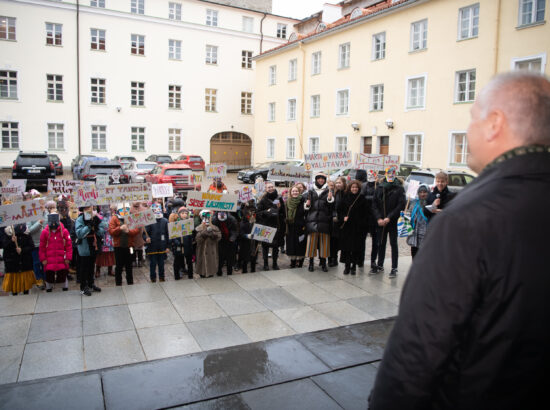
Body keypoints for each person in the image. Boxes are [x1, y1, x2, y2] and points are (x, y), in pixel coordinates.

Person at [369, 72, 550, 409]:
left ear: (495, 123)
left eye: (472, 118)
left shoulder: (467, 220)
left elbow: (418, 349)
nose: (467, 131)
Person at [371, 166, 405, 278]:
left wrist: (389, 217)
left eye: (392, 173)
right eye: (388, 172)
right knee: (381, 243)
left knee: (393, 244)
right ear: (385, 173)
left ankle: (394, 267)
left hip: (392, 220)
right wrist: (378, 218)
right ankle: (380, 265)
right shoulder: (380, 187)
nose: (390, 175)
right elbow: (374, 204)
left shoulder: (399, 188)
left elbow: (401, 205)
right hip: (381, 221)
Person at [337, 180, 368, 275]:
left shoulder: (363, 199)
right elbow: (339, 211)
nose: (354, 189)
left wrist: (362, 224)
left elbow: (366, 214)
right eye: (352, 187)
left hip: (358, 228)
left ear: (359, 189)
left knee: (356, 248)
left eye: (356, 187)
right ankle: (347, 266)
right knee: (346, 248)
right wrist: (343, 218)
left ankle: (353, 266)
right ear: (350, 188)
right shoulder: (345, 198)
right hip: (347, 227)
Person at [305, 172, 334, 272]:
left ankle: (323, 263)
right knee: (311, 244)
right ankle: (311, 263)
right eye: (319, 178)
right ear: (316, 179)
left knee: (324, 244)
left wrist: (330, 199)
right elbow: (307, 207)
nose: (321, 180)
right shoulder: (311, 190)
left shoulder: (328, 190)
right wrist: (307, 204)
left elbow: (331, 206)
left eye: (322, 179)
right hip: (312, 220)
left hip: (324, 220)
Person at [256, 182, 285, 271]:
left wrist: (280, 208)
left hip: (277, 226)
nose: (271, 188)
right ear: (266, 189)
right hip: (266, 226)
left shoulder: (279, 198)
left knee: (276, 247)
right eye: (269, 187)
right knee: (265, 247)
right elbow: (258, 214)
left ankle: (275, 263)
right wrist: (266, 212)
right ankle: (265, 264)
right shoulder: (263, 200)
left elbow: (283, 213)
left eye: (272, 187)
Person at [109, 202, 140, 286]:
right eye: (123, 209)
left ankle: (130, 282)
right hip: (118, 246)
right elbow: (111, 231)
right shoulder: (114, 218)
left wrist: (129, 231)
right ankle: (118, 283)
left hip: (129, 246)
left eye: (126, 209)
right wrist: (119, 229)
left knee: (129, 266)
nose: (125, 211)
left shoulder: (132, 217)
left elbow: (137, 229)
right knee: (119, 266)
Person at [39, 213, 72, 292]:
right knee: (49, 274)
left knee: (63, 274)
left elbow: (69, 246)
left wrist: (68, 257)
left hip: (61, 258)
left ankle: (65, 287)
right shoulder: (44, 232)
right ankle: (49, 287)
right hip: (49, 259)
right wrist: (43, 258)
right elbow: (42, 247)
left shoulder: (64, 231)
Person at [75, 206, 103, 296]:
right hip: (84, 245)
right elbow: (79, 233)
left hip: (93, 245)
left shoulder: (95, 217)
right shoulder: (80, 219)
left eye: (91, 208)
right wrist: (89, 226)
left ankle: (91, 283)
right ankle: (83, 287)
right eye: (87, 208)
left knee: (92, 265)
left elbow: (103, 229)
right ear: (83, 210)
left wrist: (97, 228)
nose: (89, 210)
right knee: (84, 267)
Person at [1, 224, 36, 295]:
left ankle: (26, 293)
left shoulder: (26, 232)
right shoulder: (7, 232)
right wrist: (11, 241)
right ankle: (14, 295)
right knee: (14, 286)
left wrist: (22, 250)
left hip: (25, 263)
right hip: (12, 264)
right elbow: (4, 245)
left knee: (25, 285)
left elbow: (31, 246)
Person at [361, 170, 379, 273]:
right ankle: (361, 259)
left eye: (373, 174)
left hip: (375, 217)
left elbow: (380, 200)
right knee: (362, 239)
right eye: (370, 174)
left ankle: (373, 260)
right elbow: (361, 198)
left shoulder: (379, 186)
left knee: (375, 241)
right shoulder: (364, 186)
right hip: (365, 217)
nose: (371, 176)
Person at [145, 204, 169, 282]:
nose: (157, 211)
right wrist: (146, 238)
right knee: (153, 263)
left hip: (162, 246)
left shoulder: (165, 221)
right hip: (152, 246)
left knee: (161, 263)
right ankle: (153, 277)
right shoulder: (149, 221)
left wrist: (168, 246)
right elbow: (145, 233)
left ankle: (162, 277)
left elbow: (168, 234)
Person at [284, 185, 307, 268]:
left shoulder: (303, 200)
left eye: (296, 191)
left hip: (300, 227)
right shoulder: (287, 202)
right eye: (293, 191)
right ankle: (293, 262)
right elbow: (284, 213)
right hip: (290, 227)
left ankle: (300, 263)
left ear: (299, 192)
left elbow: (306, 213)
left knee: (300, 245)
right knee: (291, 245)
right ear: (290, 192)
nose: (295, 192)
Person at [407, 184, 432, 258]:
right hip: (415, 233)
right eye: (420, 192)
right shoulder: (414, 203)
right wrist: (405, 215)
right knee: (414, 253)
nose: (422, 194)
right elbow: (409, 214)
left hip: (426, 232)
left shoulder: (430, 203)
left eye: (425, 192)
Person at [195, 210, 221, 278]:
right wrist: (204, 233)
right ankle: (202, 274)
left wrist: (213, 234)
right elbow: (197, 239)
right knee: (202, 269)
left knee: (211, 268)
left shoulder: (215, 227)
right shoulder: (198, 228)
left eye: (209, 217)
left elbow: (219, 237)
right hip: (201, 252)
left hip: (211, 251)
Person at [169, 207, 194, 280]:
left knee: (189, 262)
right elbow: (172, 235)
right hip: (179, 246)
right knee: (177, 262)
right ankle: (176, 276)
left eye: (186, 213)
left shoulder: (189, 222)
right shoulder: (175, 223)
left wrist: (191, 240)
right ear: (179, 214)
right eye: (182, 213)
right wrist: (177, 242)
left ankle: (190, 275)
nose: (184, 215)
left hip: (187, 246)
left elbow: (191, 234)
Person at [212, 211, 238, 276]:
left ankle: (229, 272)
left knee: (230, 259)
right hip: (219, 242)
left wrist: (232, 237)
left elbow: (234, 230)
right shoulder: (214, 220)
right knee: (220, 259)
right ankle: (219, 272)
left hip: (229, 242)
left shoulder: (232, 219)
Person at [329, 177, 346, 267]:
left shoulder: (346, 193)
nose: (338, 184)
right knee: (333, 240)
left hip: (343, 220)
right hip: (334, 220)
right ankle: (333, 258)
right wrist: (334, 214)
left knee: (341, 241)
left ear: (343, 183)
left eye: (340, 182)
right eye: (337, 183)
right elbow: (331, 206)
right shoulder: (333, 193)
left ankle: (340, 258)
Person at [238, 203, 257, 273]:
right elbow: (240, 234)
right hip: (246, 243)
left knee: (253, 257)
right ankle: (244, 270)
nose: (252, 216)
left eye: (253, 214)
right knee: (245, 258)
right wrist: (246, 236)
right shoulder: (243, 223)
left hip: (254, 243)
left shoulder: (255, 222)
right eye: (250, 215)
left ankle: (253, 270)